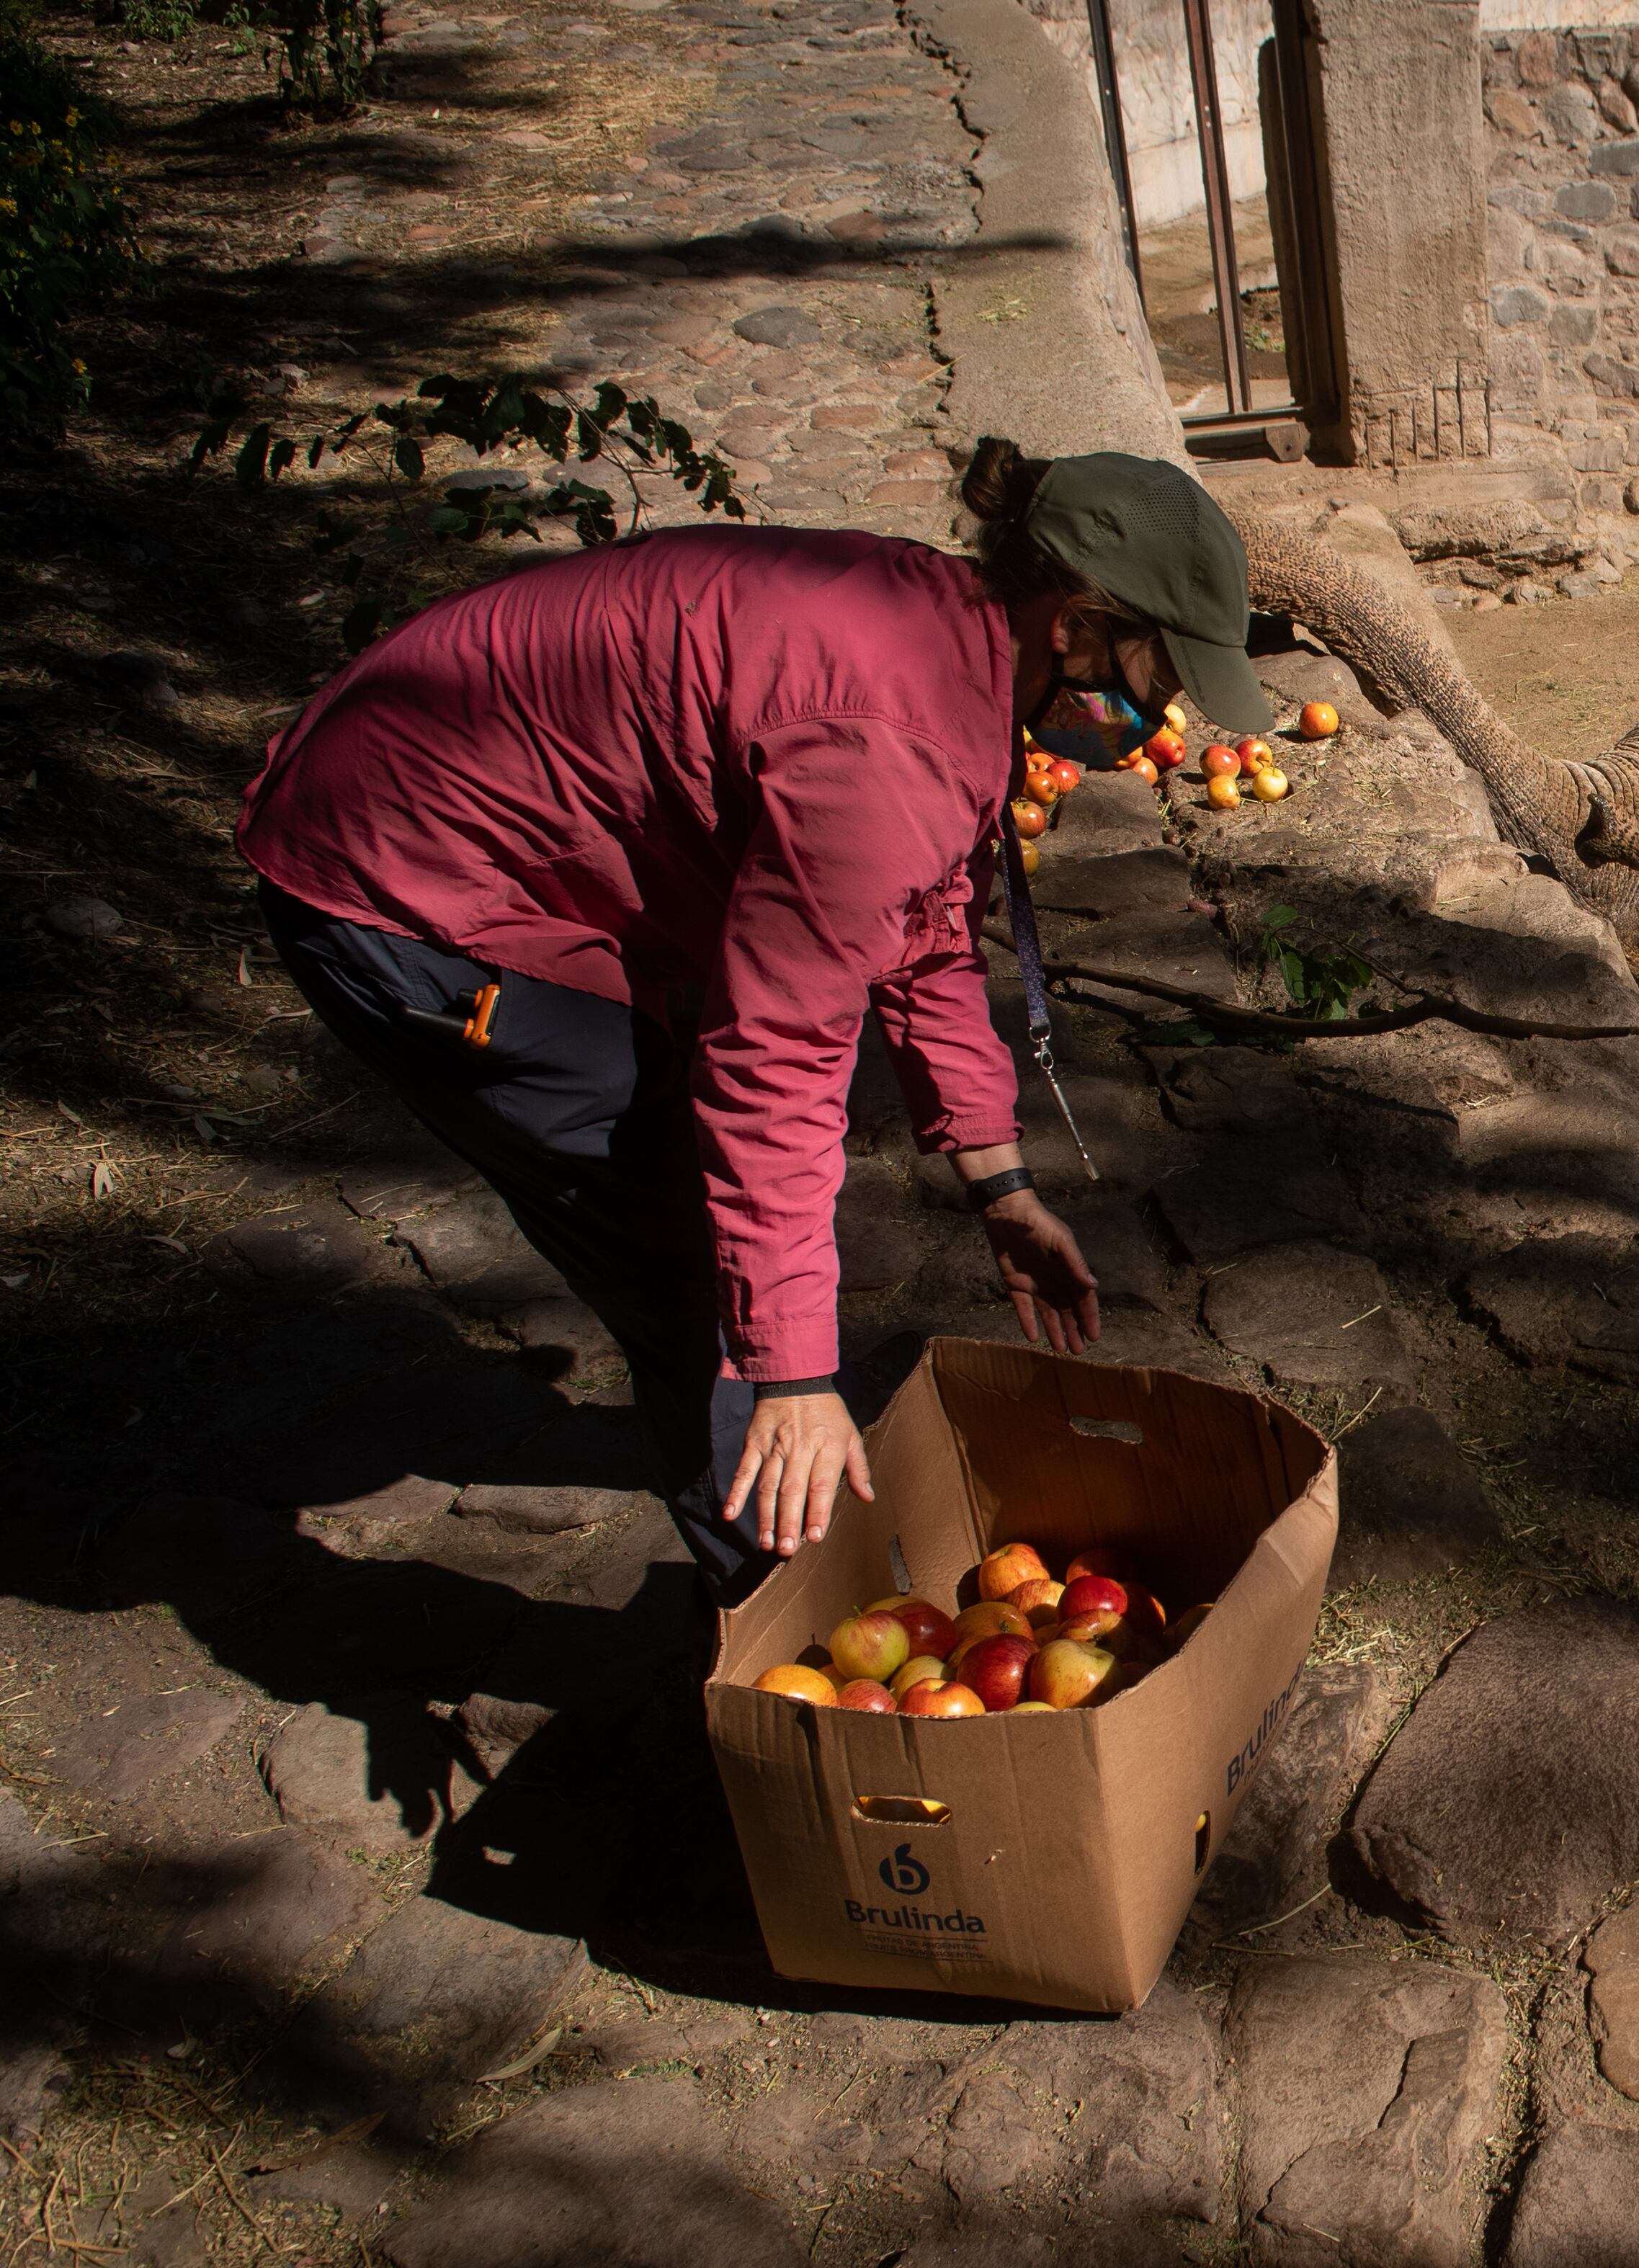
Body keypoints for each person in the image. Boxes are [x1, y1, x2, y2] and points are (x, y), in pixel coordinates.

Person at [236, 439, 1270, 1597]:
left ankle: (782, 1488)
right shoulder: (894, 735)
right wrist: (790, 1369)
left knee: (706, 1218)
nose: (1164, 708)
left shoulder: (944, 641)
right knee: (684, 1242)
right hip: (404, 882)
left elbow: (918, 926)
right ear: (1074, 622)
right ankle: (796, 1626)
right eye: (1161, 667)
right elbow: (775, 1047)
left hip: (473, 826)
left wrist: (1000, 1182)